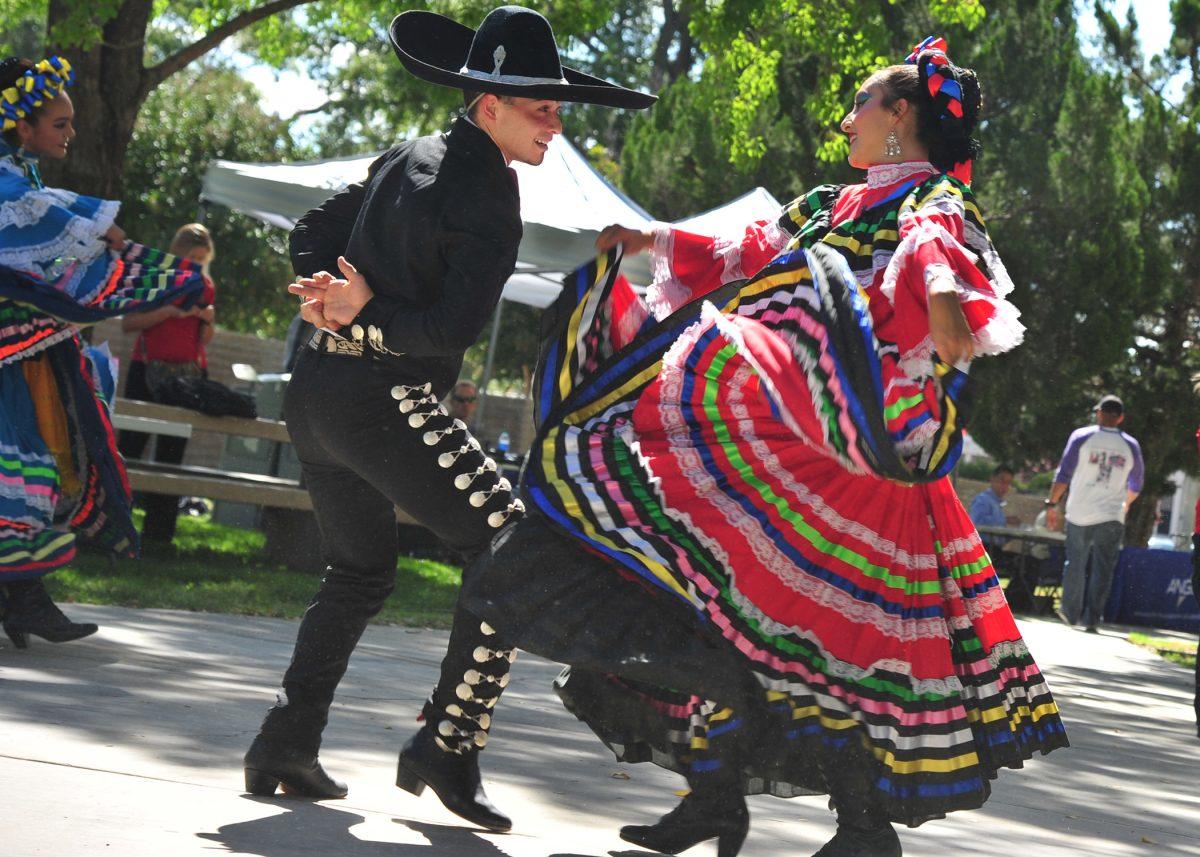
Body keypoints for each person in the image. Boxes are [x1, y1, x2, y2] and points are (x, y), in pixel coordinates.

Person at [461, 36, 1065, 857]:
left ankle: (859, 826)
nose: (845, 117)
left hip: (861, 469)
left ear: (900, 116)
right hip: (780, 450)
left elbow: (937, 268)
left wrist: (941, 294)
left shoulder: (931, 206)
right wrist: (646, 242)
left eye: (860, 102)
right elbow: (744, 255)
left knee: (830, 652)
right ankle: (718, 793)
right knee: (709, 606)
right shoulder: (828, 204)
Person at [242, 5, 654, 830]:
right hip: (381, 400)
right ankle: (448, 742)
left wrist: (329, 299)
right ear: (489, 103)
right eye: (541, 106)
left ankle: (285, 742)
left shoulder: (409, 155)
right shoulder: (491, 198)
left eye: (558, 105)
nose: (556, 121)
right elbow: (448, 332)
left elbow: (314, 229)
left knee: (360, 571)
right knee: (510, 546)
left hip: (318, 397)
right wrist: (357, 313)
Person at [0, 56, 204, 647]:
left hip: (26, 356)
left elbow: (47, 221)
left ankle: (23, 601)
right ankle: (27, 602)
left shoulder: (23, 179)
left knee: (34, 460)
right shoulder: (10, 187)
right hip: (11, 359)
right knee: (25, 461)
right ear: (23, 127)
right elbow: (35, 225)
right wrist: (98, 229)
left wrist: (94, 231)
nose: (70, 134)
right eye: (60, 124)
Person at [117, 223, 217, 546]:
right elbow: (128, 324)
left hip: (185, 377)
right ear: (178, 253)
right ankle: (115, 531)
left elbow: (203, 341)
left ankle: (159, 539)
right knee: (130, 449)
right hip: (147, 370)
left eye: (203, 258)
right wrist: (168, 311)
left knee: (172, 457)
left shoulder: (205, 286)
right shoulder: (156, 278)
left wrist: (207, 320)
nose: (198, 263)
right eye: (193, 257)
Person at [1047, 395, 1143, 633]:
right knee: (1103, 568)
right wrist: (1125, 504)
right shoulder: (1130, 445)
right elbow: (1137, 483)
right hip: (1112, 515)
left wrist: (1052, 503)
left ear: (1099, 413)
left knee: (1075, 564)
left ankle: (1070, 612)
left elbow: (1064, 474)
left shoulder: (1081, 437)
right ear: (1120, 418)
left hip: (1080, 511)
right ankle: (1092, 618)